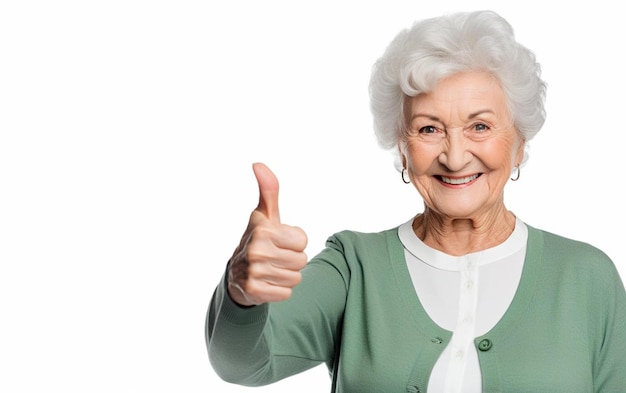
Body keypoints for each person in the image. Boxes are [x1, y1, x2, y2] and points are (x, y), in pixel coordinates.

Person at [205, 10, 626, 392]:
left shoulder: (587, 277)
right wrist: (241, 294)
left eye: (480, 126)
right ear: (402, 150)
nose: (456, 156)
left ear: (519, 145)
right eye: (429, 129)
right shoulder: (354, 267)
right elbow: (243, 363)